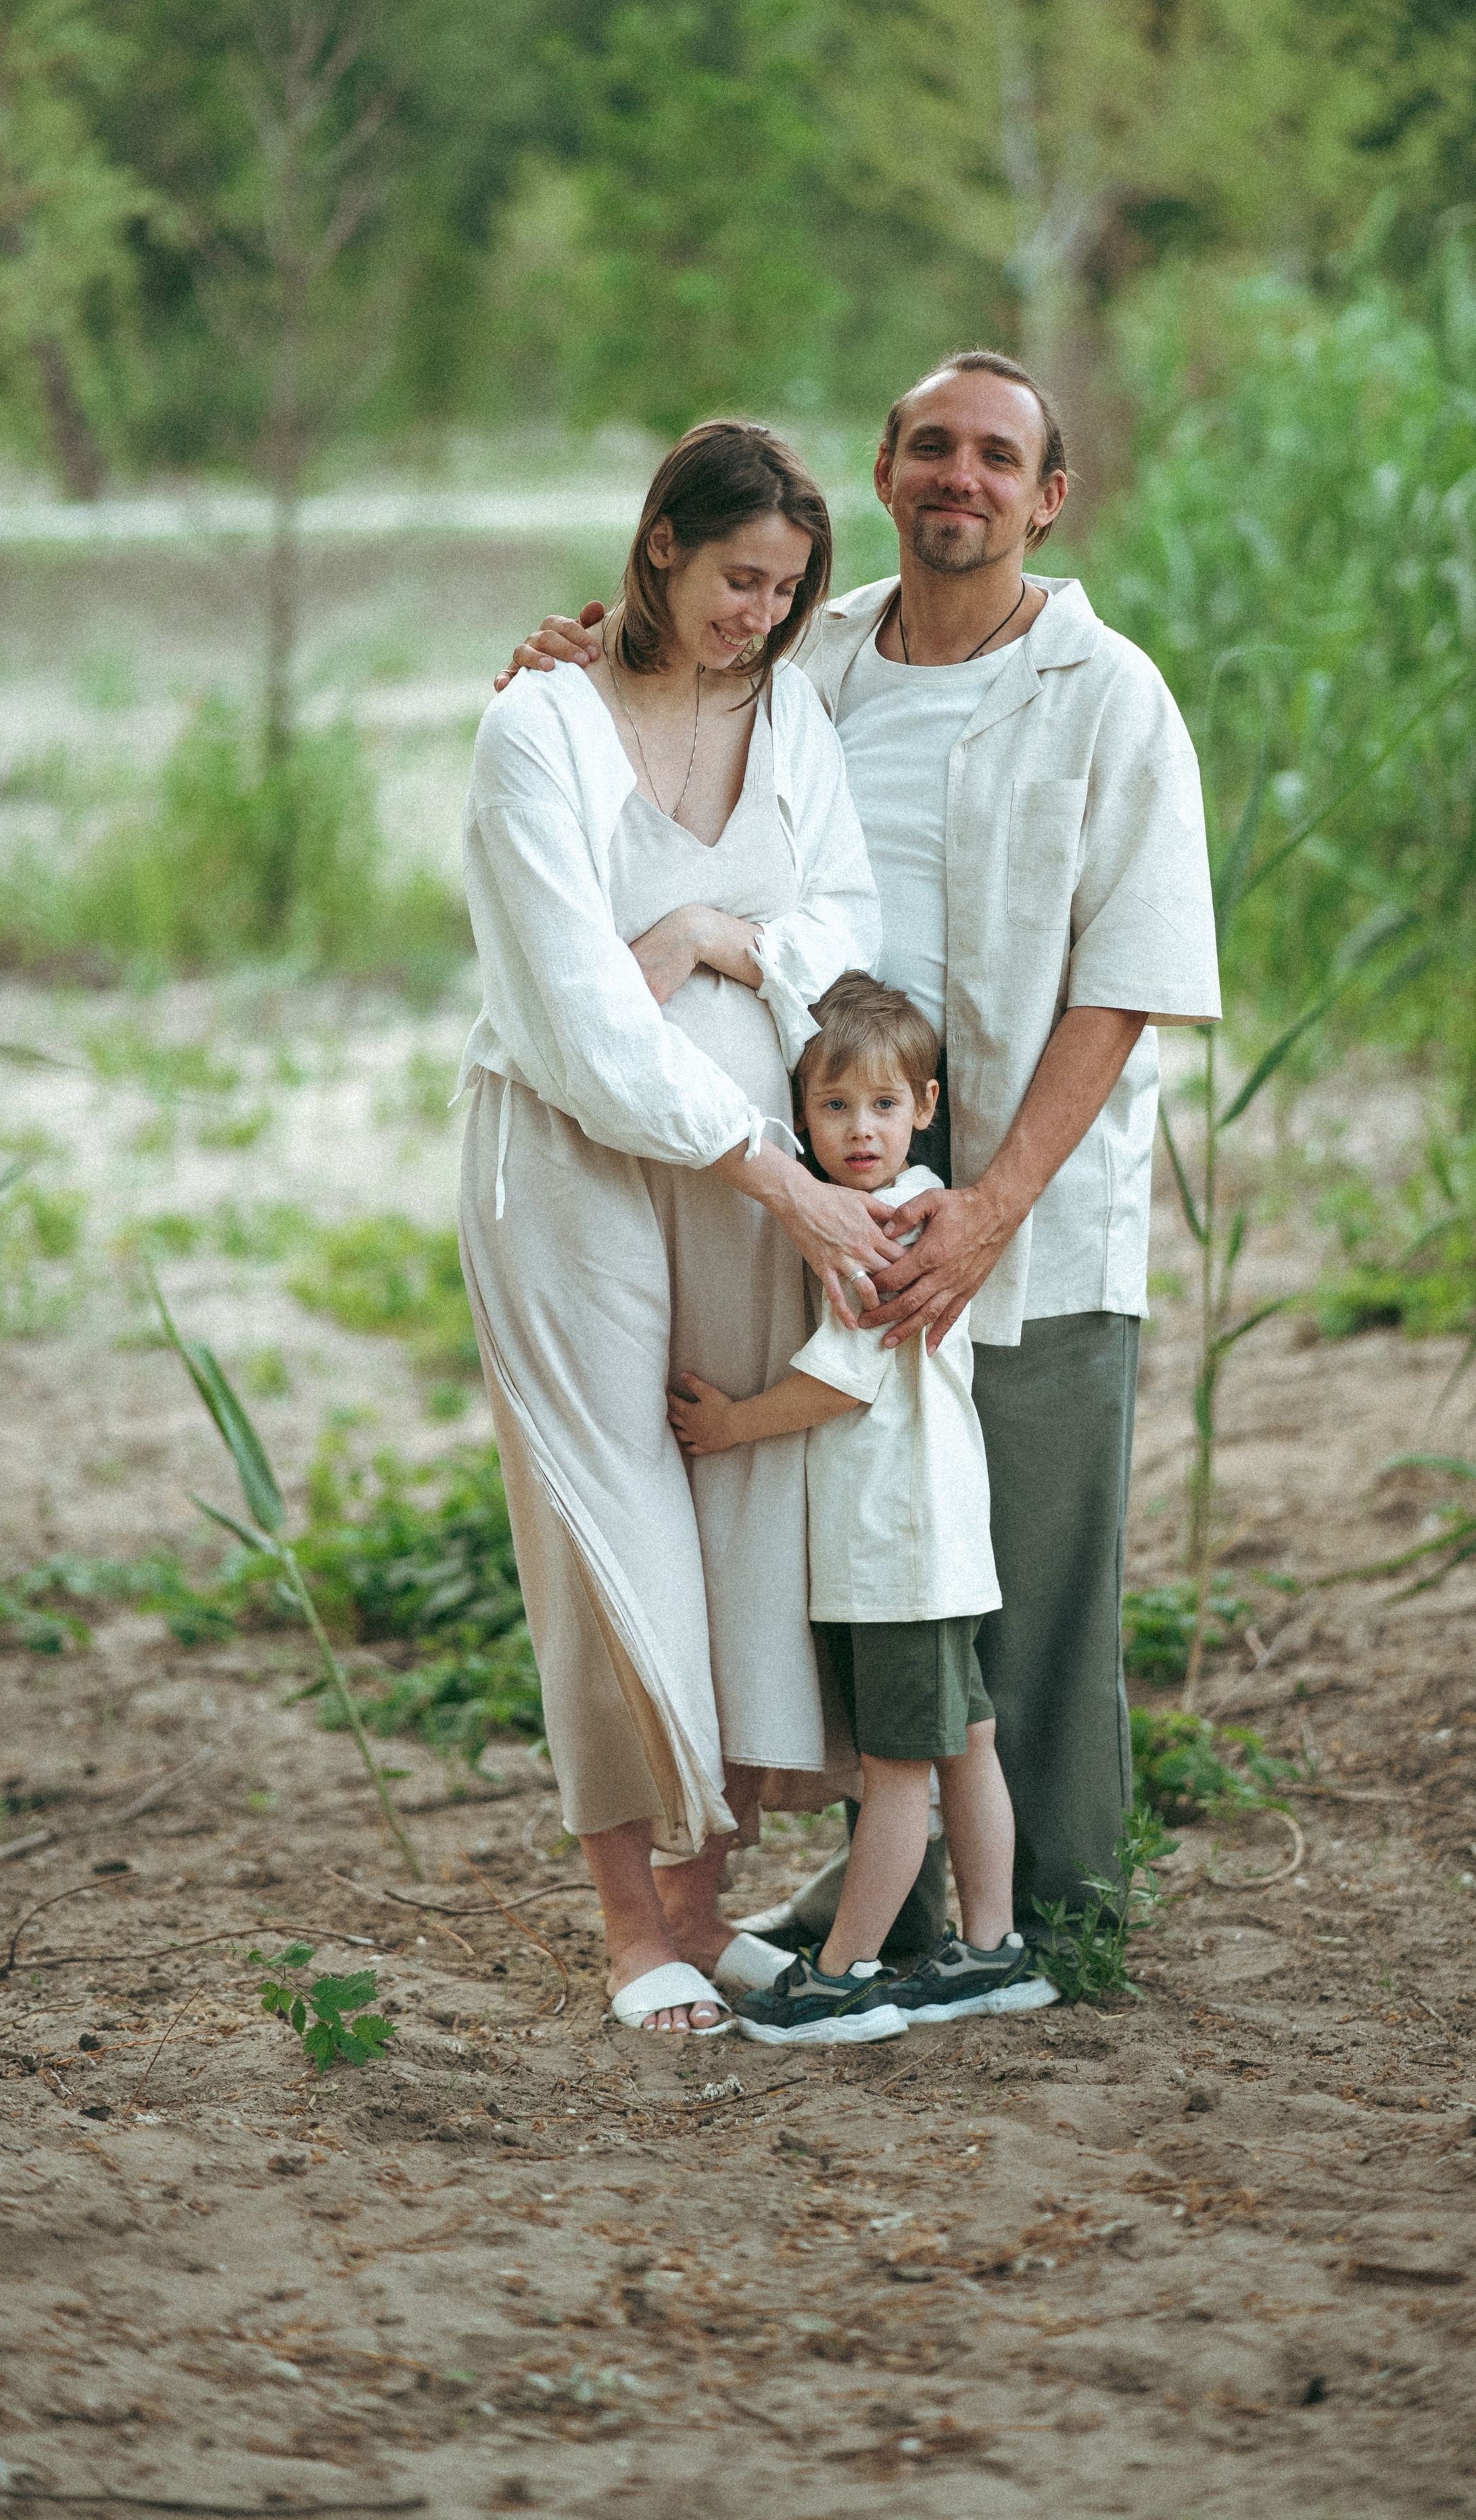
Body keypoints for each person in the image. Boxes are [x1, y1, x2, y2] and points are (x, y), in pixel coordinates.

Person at [497, 350, 1222, 1955]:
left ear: (1047, 498)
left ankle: (1053, 1917)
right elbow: (657, 716)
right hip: (834, 1191)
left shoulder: (1108, 693)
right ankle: (891, 1902)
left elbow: (1127, 981)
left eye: (997, 457)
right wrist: (569, 659)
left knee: (1026, 1566)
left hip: (1024, 1202)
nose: (960, 476)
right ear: (886, 474)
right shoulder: (804, 654)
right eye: (930, 446)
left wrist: (993, 1205)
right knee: (874, 1555)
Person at [456, 417, 888, 2036]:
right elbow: (579, 1015)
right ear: (660, 546)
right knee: (606, 1504)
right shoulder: (539, 728)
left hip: (749, 1162)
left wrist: (713, 933)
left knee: (732, 1494)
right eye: (734, 580)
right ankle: (628, 1925)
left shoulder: (791, 716)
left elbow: (844, 924)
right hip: (571, 1154)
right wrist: (779, 1176)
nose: (757, 617)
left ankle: (706, 1911)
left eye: (784, 592)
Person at [668, 971, 1059, 2047]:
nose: (859, 1130)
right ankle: (992, 1949)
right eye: (834, 1106)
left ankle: (845, 1976)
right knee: (966, 1740)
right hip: (939, 1540)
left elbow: (843, 1383)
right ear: (800, 1115)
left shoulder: (882, 1231)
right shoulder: (922, 1206)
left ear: (925, 1107)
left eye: (884, 1105)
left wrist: (735, 1425)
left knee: (897, 1774)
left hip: (895, 1548)